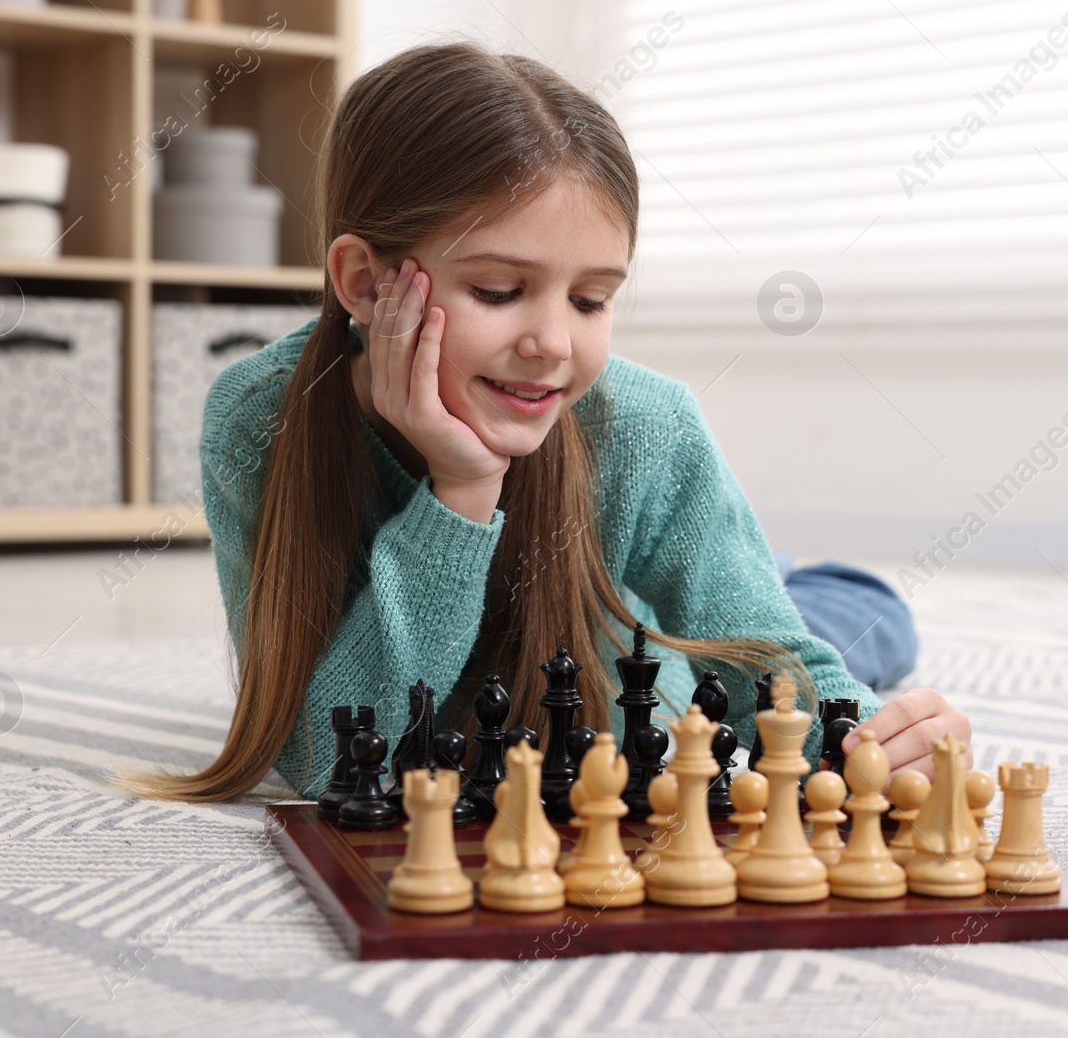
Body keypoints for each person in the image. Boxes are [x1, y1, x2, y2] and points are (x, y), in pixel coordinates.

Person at [120, 42, 968, 803]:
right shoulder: (257, 419)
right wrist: (461, 492)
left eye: (593, 299)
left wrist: (874, 741)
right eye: (498, 290)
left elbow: (772, 664)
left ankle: (828, 581)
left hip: (648, 607)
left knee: (850, 616)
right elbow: (324, 759)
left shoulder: (644, 425)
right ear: (364, 280)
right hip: (606, 595)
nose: (552, 343)